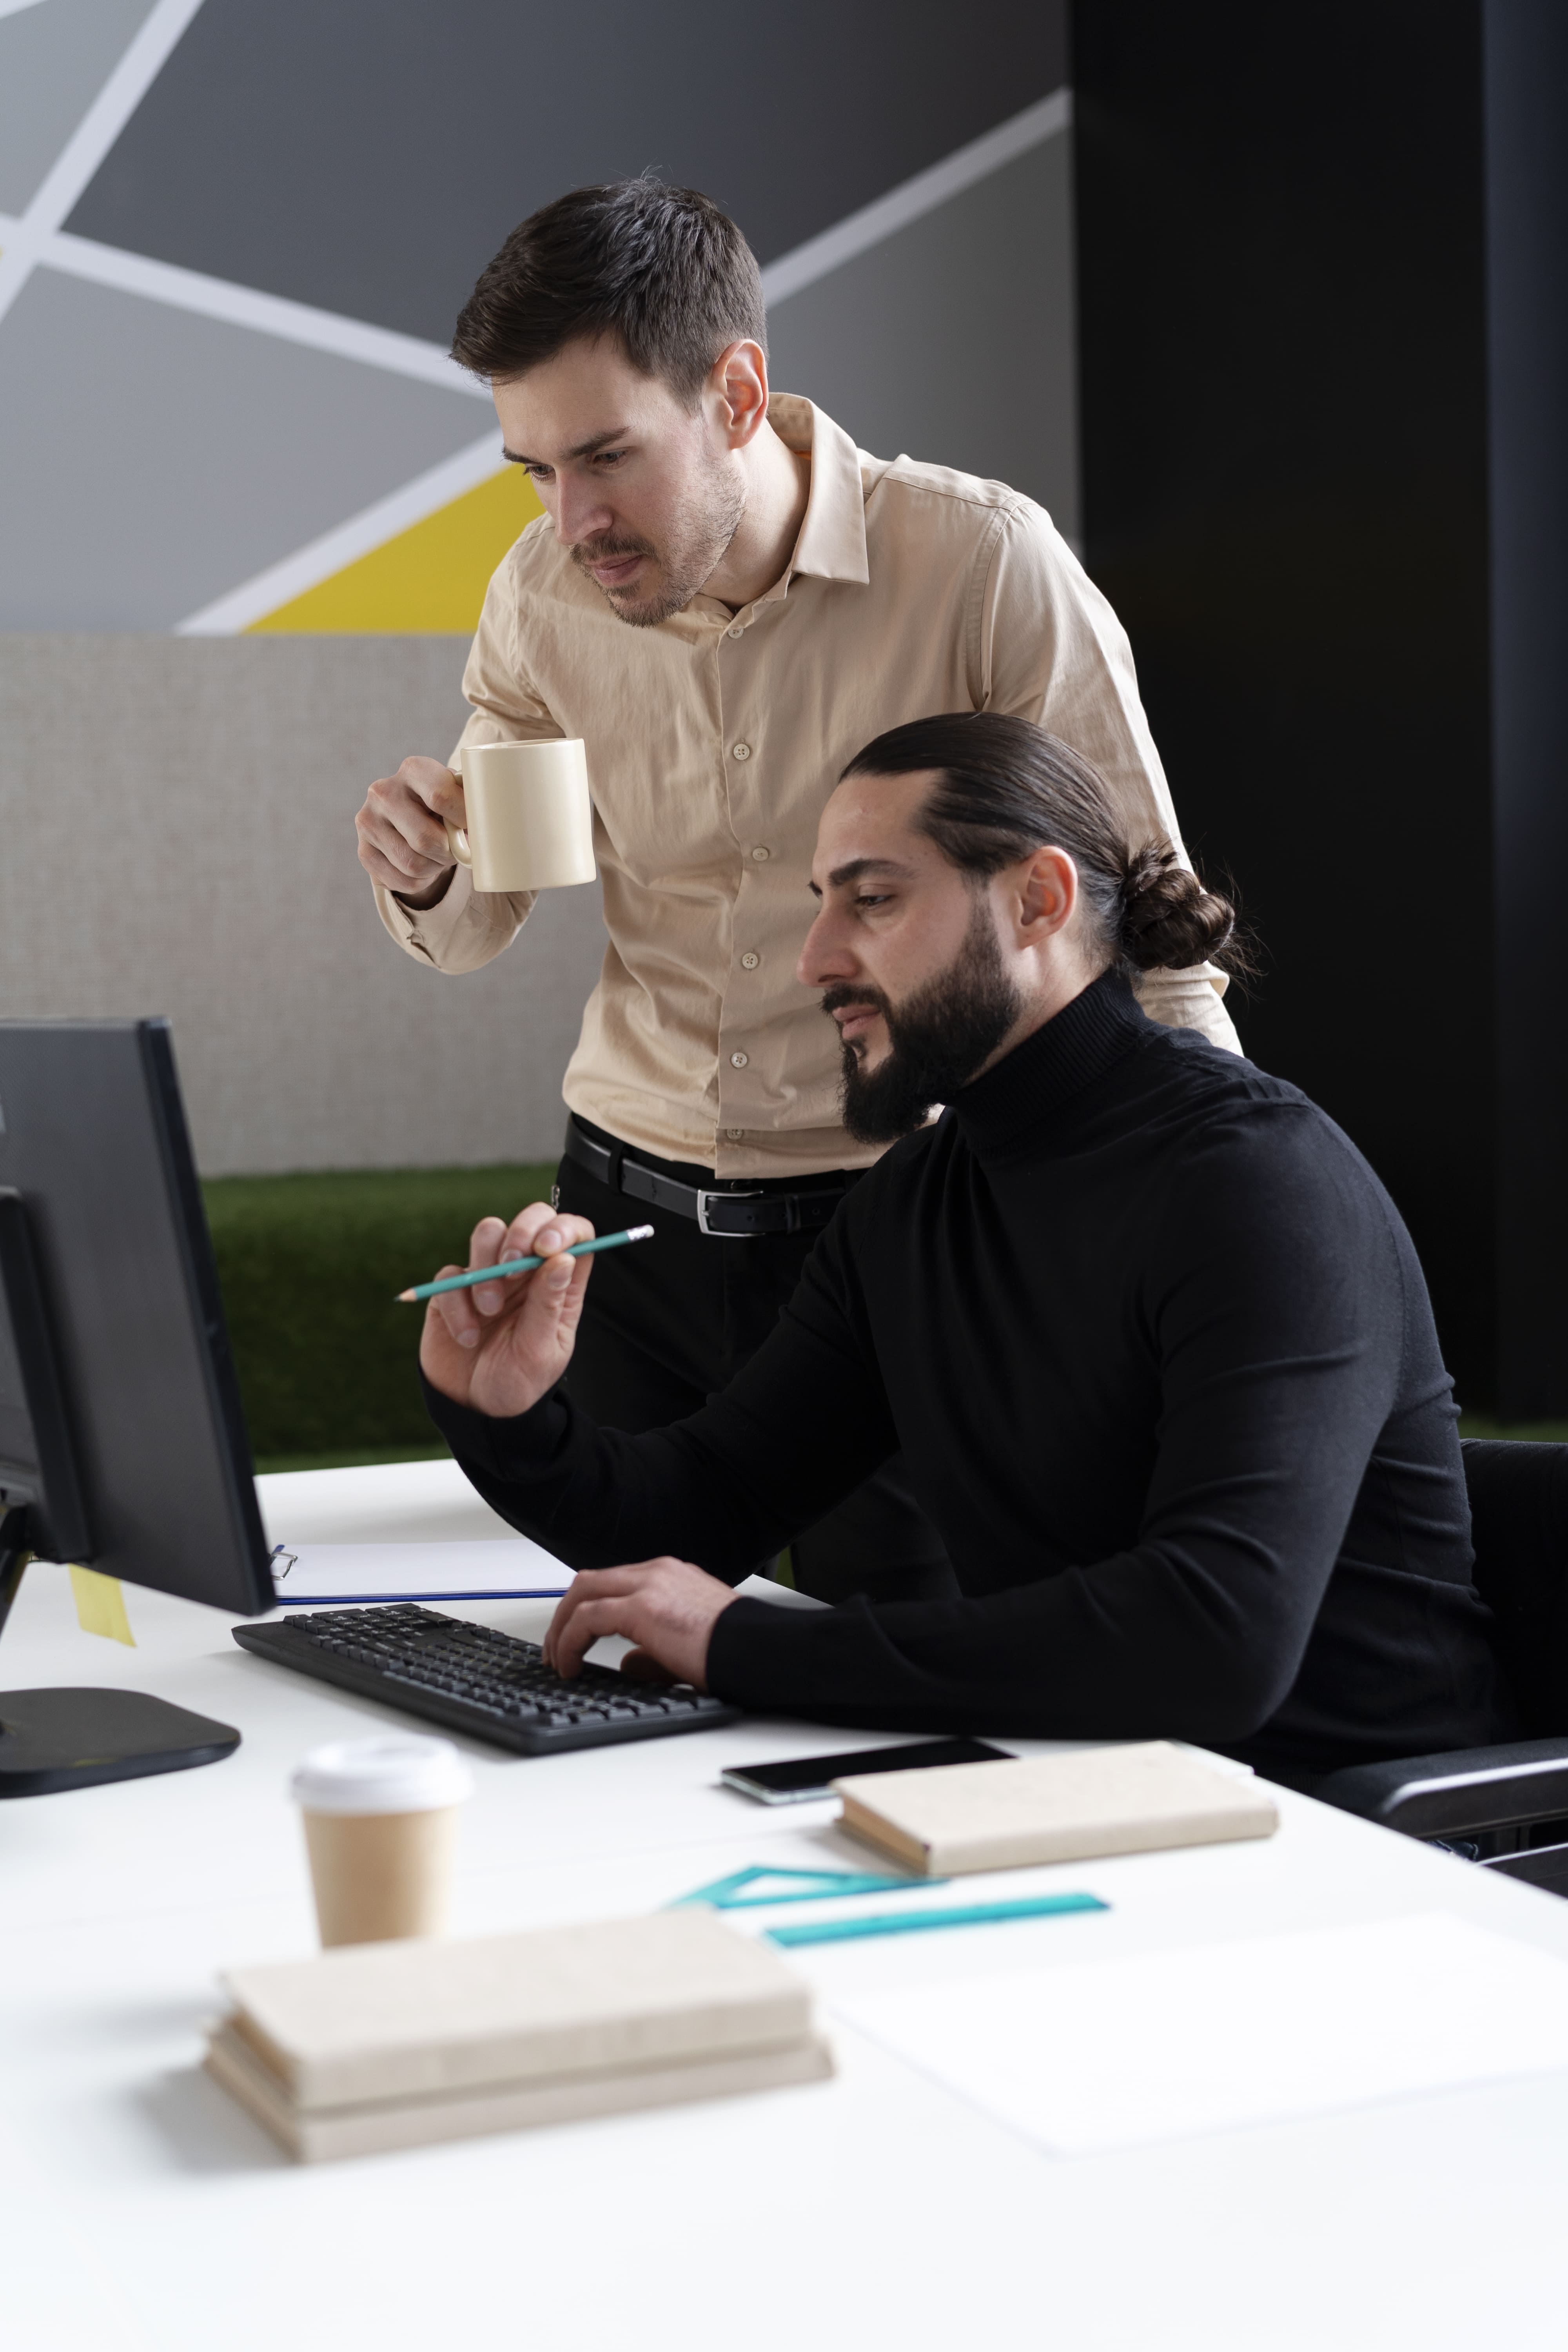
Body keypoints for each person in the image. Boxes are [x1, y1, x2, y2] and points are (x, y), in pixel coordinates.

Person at [356, 178, 1241, 1606]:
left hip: (899, 1228)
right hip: (624, 1231)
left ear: (737, 395)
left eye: (606, 457)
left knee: (897, 1674)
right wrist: (431, 872)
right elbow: (480, 916)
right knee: (613, 1659)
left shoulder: (983, 566)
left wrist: (1237, 1223)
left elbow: (1149, 929)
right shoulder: (540, 595)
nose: (573, 520)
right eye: (534, 471)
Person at [415, 713, 1507, 1788]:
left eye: (873, 900)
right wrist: (509, 1417)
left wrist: (746, 1645)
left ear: (1038, 901)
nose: (814, 960)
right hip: (1080, 1786)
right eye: (820, 903)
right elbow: (705, 1506)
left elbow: (1212, 1641)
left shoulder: (1260, 1183)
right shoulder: (914, 1204)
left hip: (1353, 1837)